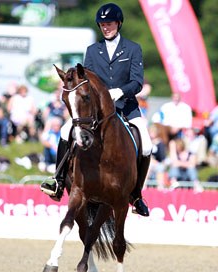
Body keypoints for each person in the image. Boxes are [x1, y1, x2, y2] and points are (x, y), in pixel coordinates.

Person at [41, 3, 152, 216]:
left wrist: (119, 92)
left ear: (118, 23)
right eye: (102, 25)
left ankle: (137, 196)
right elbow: (85, 80)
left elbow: (137, 82)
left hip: (126, 107)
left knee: (146, 145)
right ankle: (58, 180)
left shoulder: (132, 49)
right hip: (97, 110)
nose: (105, 28)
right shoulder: (93, 50)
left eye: (109, 24)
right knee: (66, 131)